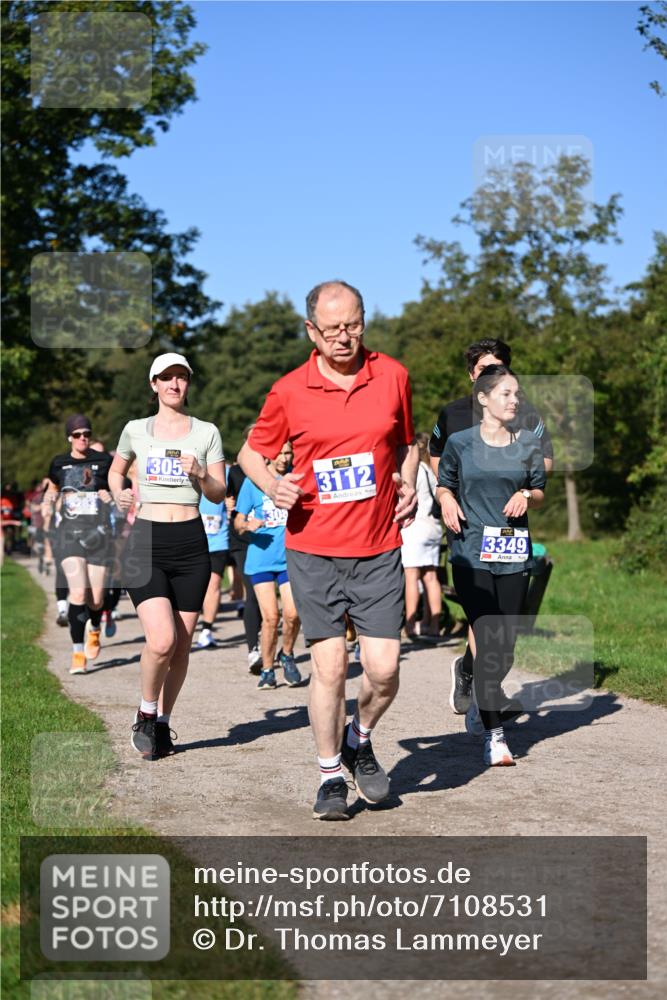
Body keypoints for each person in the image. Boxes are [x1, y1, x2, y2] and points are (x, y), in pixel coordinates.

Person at [239, 280, 418, 821]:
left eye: (355, 324)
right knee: (332, 665)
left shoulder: (393, 376)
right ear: (311, 331)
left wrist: (407, 481)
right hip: (313, 548)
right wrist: (274, 487)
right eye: (334, 328)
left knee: (384, 671)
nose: (346, 337)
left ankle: (358, 739)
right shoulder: (289, 390)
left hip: (378, 545)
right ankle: (328, 778)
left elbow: (407, 444)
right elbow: (252, 453)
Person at [109, 353, 226, 761]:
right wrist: (119, 490)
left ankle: (162, 723)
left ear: (188, 384)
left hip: (192, 542)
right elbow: (115, 469)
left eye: (181, 378)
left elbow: (218, 492)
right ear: (154, 384)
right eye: (167, 378)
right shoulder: (135, 430)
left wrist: (200, 474)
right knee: (162, 640)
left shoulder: (207, 432)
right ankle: (145, 712)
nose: (175, 385)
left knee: (181, 647)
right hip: (146, 540)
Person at [429, 338, 553, 715]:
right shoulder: (452, 415)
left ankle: (472, 672)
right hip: (467, 523)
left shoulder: (526, 413)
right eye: (484, 369)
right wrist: (448, 495)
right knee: (483, 614)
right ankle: (487, 700)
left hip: (510, 525)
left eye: (498, 367)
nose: (491, 374)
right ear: (472, 375)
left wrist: (525, 489)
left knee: (505, 622)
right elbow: (436, 457)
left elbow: (545, 462)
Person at [43, 415, 114, 673]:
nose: (82, 438)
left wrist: (113, 495)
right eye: (77, 435)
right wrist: (49, 500)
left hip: (98, 534)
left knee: (96, 599)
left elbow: (119, 486)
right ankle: (77, 653)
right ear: (69, 438)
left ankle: (94, 629)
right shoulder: (59, 463)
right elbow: (52, 487)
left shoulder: (104, 461)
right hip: (69, 534)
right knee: (78, 593)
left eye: (86, 434)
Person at [234, 441, 302, 689]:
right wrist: (246, 526)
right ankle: (266, 669)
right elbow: (238, 522)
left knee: (292, 615)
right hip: (261, 559)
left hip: (290, 558)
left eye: (288, 453)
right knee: (271, 618)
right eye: (280, 453)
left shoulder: (296, 479)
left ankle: (288, 654)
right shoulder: (253, 484)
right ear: (269, 456)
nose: (284, 458)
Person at [225, 427, 263, 673]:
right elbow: (227, 498)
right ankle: (253, 649)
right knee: (253, 590)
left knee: (263, 595)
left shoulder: (273, 470)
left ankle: (272, 646)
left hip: (268, 538)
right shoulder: (236, 472)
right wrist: (230, 505)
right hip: (241, 539)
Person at [400, 432, 443, 641]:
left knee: (411, 577)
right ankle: (433, 624)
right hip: (434, 526)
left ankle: (409, 625)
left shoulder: (413, 470)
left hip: (415, 527)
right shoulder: (432, 471)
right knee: (431, 577)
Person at [196, 492, 230, 649]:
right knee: (192, 588)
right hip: (193, 541)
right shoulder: (187, 471)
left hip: (218, 541)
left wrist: (231, 505)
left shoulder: (227, 475)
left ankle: (206, 630)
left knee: (213, 584)